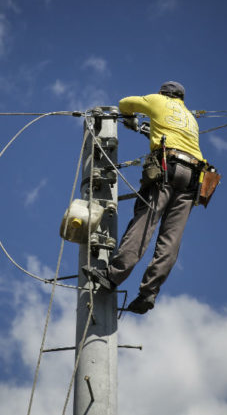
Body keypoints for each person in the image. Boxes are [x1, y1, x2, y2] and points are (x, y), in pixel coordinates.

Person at [83, 81, 206, 314]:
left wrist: (130, 119)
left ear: (164, 93)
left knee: (145, 223)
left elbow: (124, 104)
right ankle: (149, 293)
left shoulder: (158, 101)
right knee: (171, 239)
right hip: (194, 177)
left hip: (167, 169)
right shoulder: (191, 117)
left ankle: (113, 275)